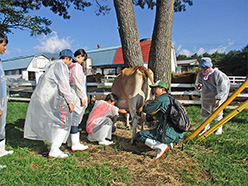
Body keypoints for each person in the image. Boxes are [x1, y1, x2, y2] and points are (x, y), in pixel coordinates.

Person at [24, 49, 76, 158]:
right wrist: (70, 102)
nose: (71, 63)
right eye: (71, 60)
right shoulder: (61, 66)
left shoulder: (51, 66)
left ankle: (54, 146)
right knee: (64, 122)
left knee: (56, 121)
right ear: (67, 58)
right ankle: (54, 149)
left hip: (46, 98)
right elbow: (64, 85)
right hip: (56, 98)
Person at [136, 80, 184, 160]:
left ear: (162, 89)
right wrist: (146, 119)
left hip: (167, 134)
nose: (153, 90)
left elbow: (146, 109)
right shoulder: (170, 99)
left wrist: (144, 105)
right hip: (178, 134)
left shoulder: (161, 99)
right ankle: (169, 143)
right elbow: (160, 116)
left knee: (140, 135)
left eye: (155, 88)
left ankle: (161, 146)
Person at [195, 57, 230, 135]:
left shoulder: (217, 74)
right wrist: (198, 87)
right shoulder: (200, 74)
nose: (203, 69)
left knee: (217, 111)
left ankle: (219, 128)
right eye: (202, 67)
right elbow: (199, 83)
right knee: (205, 111)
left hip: (216, 95)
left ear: (209, 66)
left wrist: (218, 98)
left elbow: (222, 87)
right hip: (206, 95)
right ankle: (206, 127)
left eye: (205, 67)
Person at [67, 49, 88, 151]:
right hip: (76, 95)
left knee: (71, 118)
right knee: (75, 118)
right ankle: (75, 144)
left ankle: (70, 141)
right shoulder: (77, 67)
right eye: (83, 59)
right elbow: (78, 83)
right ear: (79, 56)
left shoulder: (69, 66)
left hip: (71, 93)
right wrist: (82, 97)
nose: (82, 62)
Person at [0, 33, 14, 157]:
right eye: (4, 45)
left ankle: (1, 151)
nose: (5, 48)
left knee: (1, 126)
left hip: (2, 100)